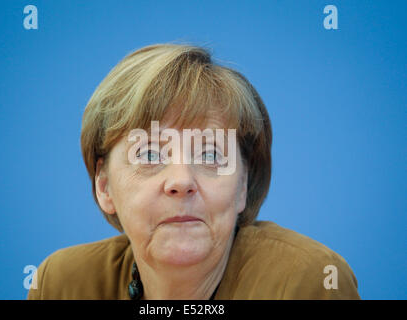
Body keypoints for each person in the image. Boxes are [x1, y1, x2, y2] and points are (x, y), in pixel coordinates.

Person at [27, 43, 360, 300]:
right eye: (149, 154)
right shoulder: (60, 283)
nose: (182, 181)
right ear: (104, 186)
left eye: (211, 154)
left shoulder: (306, 281)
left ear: (242, 184)